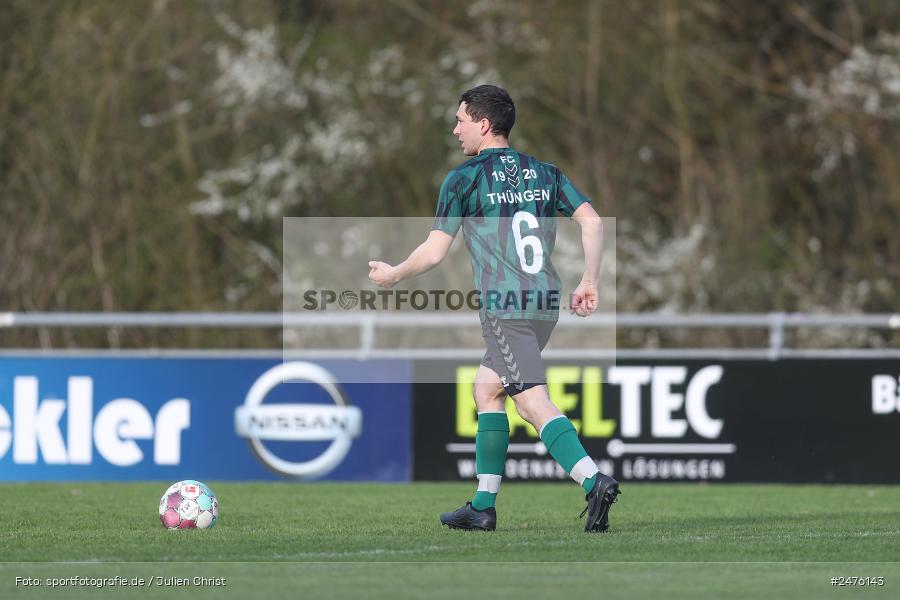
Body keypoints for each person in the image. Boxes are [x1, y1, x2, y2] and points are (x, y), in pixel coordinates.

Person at [368, 84, 619, 532]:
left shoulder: (463, 179)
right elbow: (594, 222)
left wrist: (393, 274)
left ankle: (592, 480)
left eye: (461, 120)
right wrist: (589, 280)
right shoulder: (546, 172)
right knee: (487, 390)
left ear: (483, 124)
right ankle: (482, 506)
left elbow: (433, 253)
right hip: (543, 303)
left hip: (506, 307)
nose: (455, 128)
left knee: (531, 402)